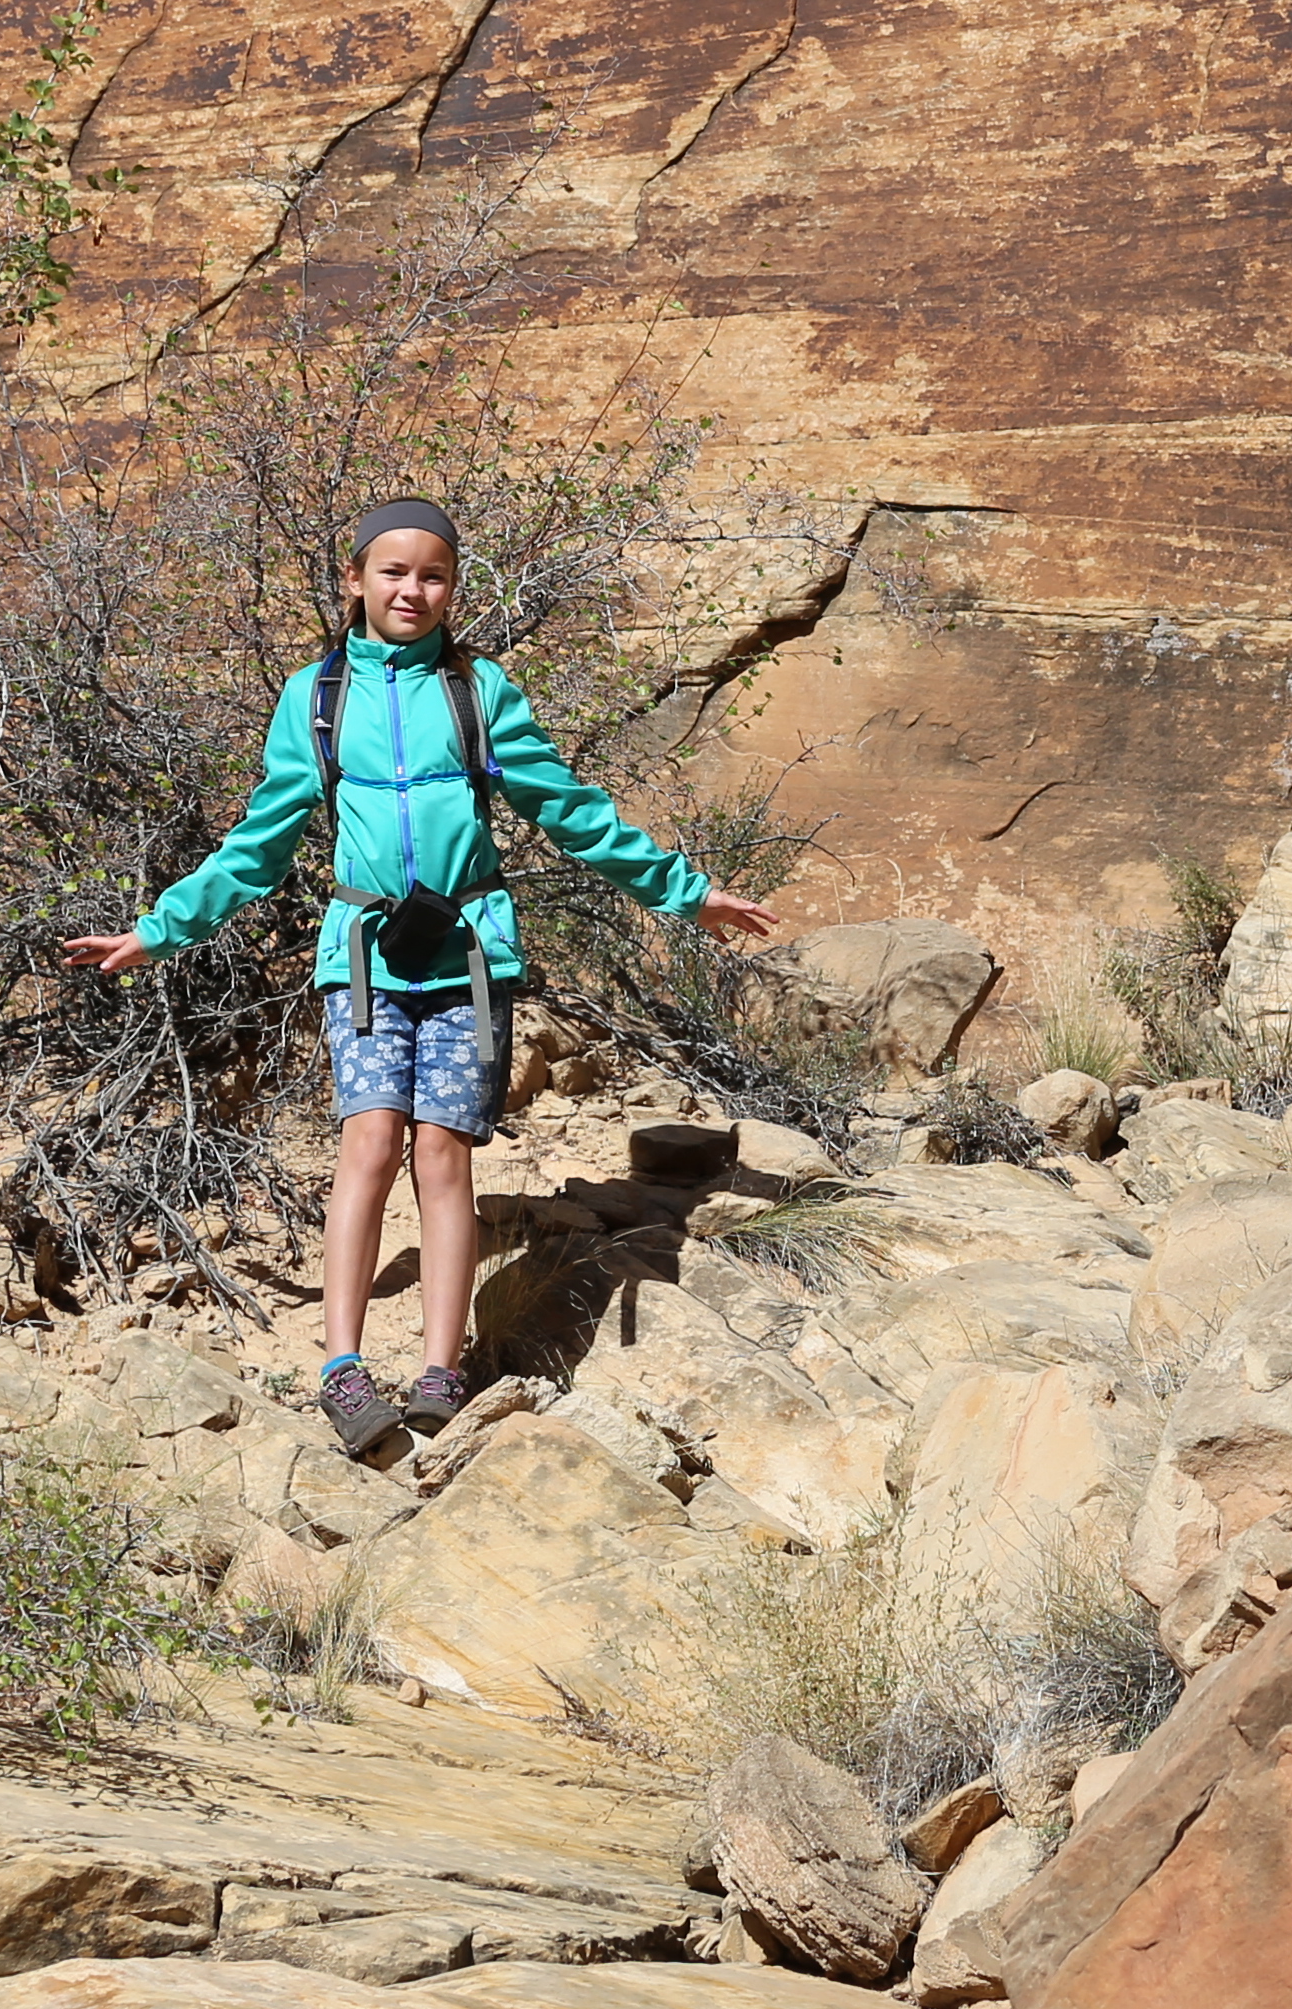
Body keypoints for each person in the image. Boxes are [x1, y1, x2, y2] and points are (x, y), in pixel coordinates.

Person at [62, 498, 782, 1455]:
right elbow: (260, 845)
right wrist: (161, 930)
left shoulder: (477, 691)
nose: (413, 589)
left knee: (444, 1156)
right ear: (354, 580)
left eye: (434, 574)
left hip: (470, 959)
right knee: (369, 1143)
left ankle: (442, 1368)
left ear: (454, 588)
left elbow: (572, 811)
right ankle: (342, 1367)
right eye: (394, 572)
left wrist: (687, 895)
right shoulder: (315, 698)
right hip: (362, 957)